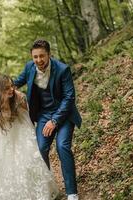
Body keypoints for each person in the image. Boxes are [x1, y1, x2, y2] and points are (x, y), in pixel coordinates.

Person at [0, 74, 59, 200]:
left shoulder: (18, 97)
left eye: (12, 86)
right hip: (0, 133)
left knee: (27, 158)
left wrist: (22, 101)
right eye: (7, 88)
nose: (11, 89)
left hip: (17, 130)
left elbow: (28, 114)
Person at [14, 39, 82, 200]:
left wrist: (55, 120)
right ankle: (47, 187)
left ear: (49, 55)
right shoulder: (29, 67)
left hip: (63, 114)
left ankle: (72, 193)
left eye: (42, 56)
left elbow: (69, 97)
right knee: (41, 149)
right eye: (35, 57)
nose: (38, 60)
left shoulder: (62, 69)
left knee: (62, 147)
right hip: (43, 115)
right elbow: (15, 83)